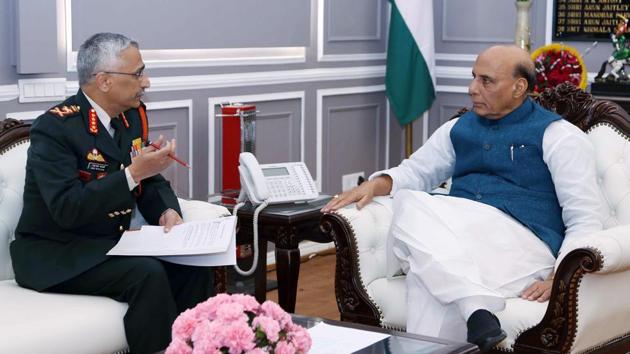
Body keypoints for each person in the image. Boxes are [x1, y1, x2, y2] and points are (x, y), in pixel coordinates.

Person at [322, 45, 605, 352]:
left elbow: (584, 216)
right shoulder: (458, 128)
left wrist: (561, 275)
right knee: (411, 207)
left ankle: (470, 309)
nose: (472, 89)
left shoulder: (559, 137)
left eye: (486, 81)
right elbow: (417, 171)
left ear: (519, 87)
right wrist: (376, 185)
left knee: (425, 269)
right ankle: (476, 312)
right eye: (473, 77)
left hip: (525, 245)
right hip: (462, 240)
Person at [10, 33, 214, 354]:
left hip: (108, 243)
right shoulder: (55, 128)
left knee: (194, 266)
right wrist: (132, 174)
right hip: (56, 253)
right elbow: (67, 208)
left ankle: (196, 348)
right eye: (137, 74)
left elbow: (147, 180)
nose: (145, 82)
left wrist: (166, 210)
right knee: (146, 274)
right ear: (104, 81)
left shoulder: (130, 117)